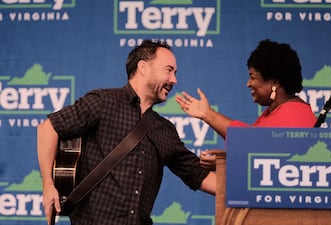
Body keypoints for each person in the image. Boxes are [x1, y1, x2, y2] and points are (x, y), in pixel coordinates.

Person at [37, 40, 216, 225]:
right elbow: (48, 128)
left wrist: (245, 188)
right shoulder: (103, 102)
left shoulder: (165, 130)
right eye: (168, 70)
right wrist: (48, 186)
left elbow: (198, 175)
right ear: (143, 67)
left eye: (175, 73)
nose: (174, 80)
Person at [175, 39, 316, 170]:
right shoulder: (278, 110)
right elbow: (260, 150)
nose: (248, 84)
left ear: (275, 83)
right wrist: (227, 160)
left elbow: (258, 149)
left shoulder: (294, 114)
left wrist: (208, 114)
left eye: (253, 77)